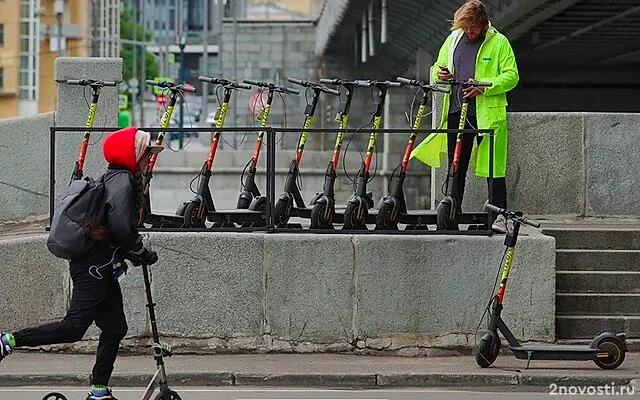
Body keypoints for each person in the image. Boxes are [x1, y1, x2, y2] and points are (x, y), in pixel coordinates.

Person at [0, 127, 161, 400]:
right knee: (74, 327)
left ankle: (99, 391)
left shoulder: (116, 178)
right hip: (94, 267)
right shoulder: (122, 180)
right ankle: (8, 340)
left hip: (101, 266)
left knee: (114, 327)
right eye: (147, 153)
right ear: (133, 154)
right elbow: (122, 227)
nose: (149, 159)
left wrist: (135, 254)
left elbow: (110, 229)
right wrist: (139, 249)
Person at [413, 0, 519, 232]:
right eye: (465, 26)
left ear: (483, 23)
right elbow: (435, 69)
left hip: (487, 116)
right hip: (456, 110)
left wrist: (485, 86)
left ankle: (499, 216)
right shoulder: (453, 40)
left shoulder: (499, 42)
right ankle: (452, 211)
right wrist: (442, 73)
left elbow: (512, 76)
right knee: (456, 165)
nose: (469, 31)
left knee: (494, 167)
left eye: (473, 26)